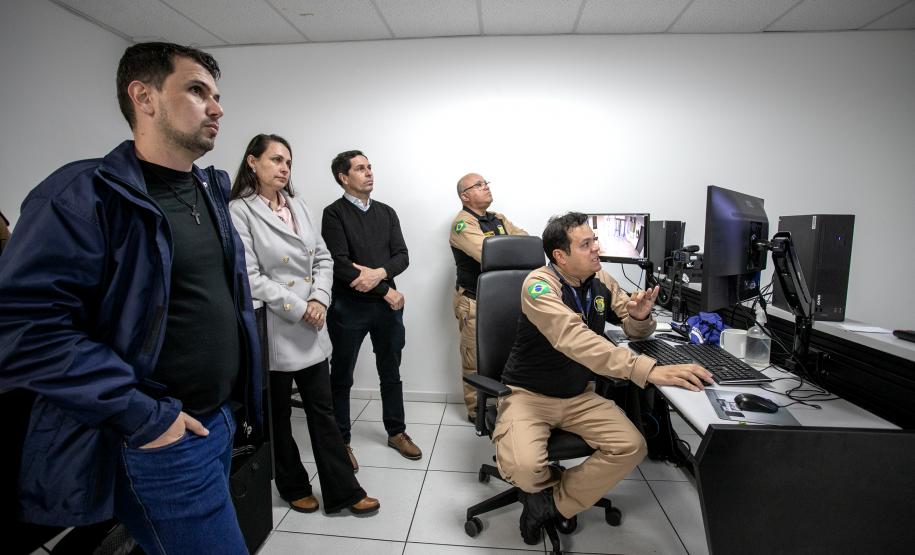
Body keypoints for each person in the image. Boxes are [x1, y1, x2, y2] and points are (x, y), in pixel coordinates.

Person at [0, 42, 262, 555]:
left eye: (217, 95)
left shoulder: (209, 190)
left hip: (217, 421)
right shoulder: (81, 195)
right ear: (143, 97)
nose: (217, 108)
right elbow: (23, 328)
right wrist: (145, 416)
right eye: (196, 90)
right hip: (160, 436)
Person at [494, 212, 713, 544]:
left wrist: (640, 317)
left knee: (631, 446)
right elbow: (574, 339)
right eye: (586, 244)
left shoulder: (602, 281)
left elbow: (630, 320)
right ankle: (547, 491)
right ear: (560, 256)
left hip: (578, 395)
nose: (597, 248)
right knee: (524, 467)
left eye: (594, 239)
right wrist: (650, 371)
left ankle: (550, 504)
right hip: (529, 395)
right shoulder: (539, 285)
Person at [229, 134, 379, 516]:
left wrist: (319, 299)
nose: (284, 168)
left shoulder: (299, 205)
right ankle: (293, 485)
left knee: (323, 413)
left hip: (312, 324)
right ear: (252, 162)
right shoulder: (239, 211)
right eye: (276, 160)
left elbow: (324, 259)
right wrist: (300, 305)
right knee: (278, 416)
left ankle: (344, 490)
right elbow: (250, 276)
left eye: (288, 163)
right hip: (276, 327)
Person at [321, 150, 420, 468]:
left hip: (386, 308)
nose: (368, 173)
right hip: (348, 308)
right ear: (343, 177)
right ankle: (342, 441)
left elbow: (402, 256)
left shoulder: (387, 213)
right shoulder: (333, 214)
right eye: (360, 169)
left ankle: (397, 432)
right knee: (342, 375)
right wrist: (386, 290)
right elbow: (339, 264)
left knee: (391, 372)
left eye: (369, 167)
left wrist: (378, 276)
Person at [449, 173, 527, 421]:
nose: (486, 187)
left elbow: (528, 242)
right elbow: (487, 254)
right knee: (475, 358)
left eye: (486, 183)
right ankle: (476, 412)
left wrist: (510, 247)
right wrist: (510, 248)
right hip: (474, 301)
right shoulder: (462, 224)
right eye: (479, 185)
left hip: (505, 300)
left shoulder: (498, 219)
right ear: (465, 196)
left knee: (510, 351)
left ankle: (508, 403)